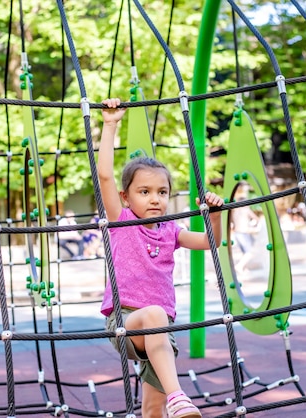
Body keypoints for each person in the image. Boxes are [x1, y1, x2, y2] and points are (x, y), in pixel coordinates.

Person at [99, 98, 223, 418]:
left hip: (159, 333)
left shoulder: (170, 230)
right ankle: (179, 395)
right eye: (144, 192)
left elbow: (212, 242)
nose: (155, 199)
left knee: (153, 409)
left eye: (162, 192)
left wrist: (216, 215)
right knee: (154, 314)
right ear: (127, 197)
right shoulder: (122, 221)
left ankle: (171, 400)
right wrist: (110, 124)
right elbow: (105, 178)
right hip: (126, 323)